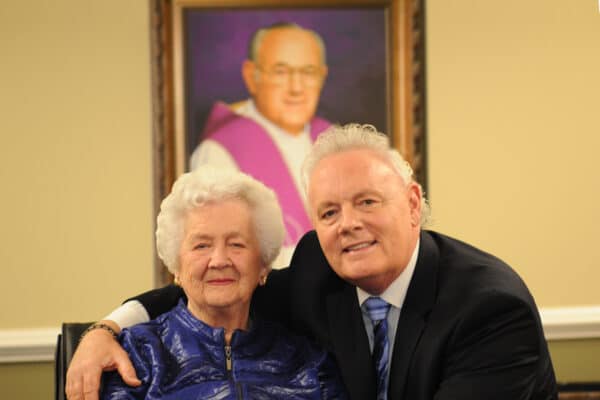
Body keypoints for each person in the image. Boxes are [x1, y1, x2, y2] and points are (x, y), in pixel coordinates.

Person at [67, 124, 557, 400]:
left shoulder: (489, 309)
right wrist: (105, 330)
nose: (347, 224)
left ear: (412, 204)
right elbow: (216, 287)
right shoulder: (319, 271)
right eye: (329, 212)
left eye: (367, 202)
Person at [93, 166, 347, 399]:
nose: (219, 260)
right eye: (201, 245)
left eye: (236, 244)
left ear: (263, 264)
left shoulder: (310, 362)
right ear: (176, 266)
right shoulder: (137, 355)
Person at [190, 22, 330, 268]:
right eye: (281, 72)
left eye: (308, 72)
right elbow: (219, 254)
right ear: (251, 75)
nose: (296, 88)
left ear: (322, 76)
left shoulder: (333, 139)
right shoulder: (220, 151)